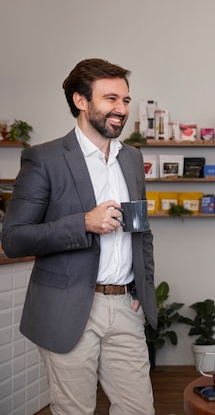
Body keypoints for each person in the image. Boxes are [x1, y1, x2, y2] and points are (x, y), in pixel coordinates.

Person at [1, 58, 157, 414]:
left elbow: (142, 231)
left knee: (139, 410)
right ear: (81, 101)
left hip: (125, 306)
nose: (121, 109)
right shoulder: (44, 159)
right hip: (68, 309)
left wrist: (141, 289)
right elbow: (14, 239)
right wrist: (83, 223)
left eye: (126, 100)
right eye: (111, 99)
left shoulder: (131, 158)